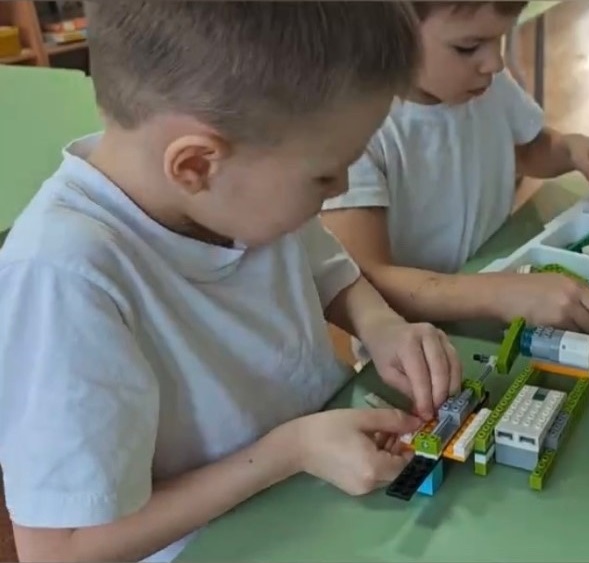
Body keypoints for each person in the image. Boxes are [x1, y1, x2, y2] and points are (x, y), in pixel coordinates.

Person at [0, 3, 461, 562]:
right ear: (195, 165)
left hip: (324, 494)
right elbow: (59, 550)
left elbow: (326, 268)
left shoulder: (233, 181)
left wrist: (380, 324)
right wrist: (288, 453)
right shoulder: (62, 278)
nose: (340, 188)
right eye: (324, 174)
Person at [321, 1, 589, 337]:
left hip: (503, 302)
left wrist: (570, 149)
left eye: (500, 40)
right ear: (390, 33)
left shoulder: (489, 87)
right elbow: (365, 278)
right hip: (418, 341)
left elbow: (528, 148)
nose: (495, 62)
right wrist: (501, 293)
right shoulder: (359, 131)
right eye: (468, 47)